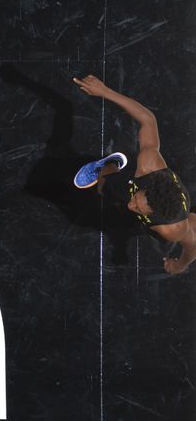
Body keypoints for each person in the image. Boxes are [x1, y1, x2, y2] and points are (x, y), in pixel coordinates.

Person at [72, 75, 196, 275]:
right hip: (135, 181)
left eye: (138, 208)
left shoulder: (172, 229)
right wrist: (105, 92)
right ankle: (108, 166)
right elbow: (148, 120)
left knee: (117, 205)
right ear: (146, 187)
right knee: (104, 185)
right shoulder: (149, 165)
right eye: (137, 200)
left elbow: (192, 248)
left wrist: (180, 265)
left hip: (161, 216)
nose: (132, 205)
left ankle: (112, 173)